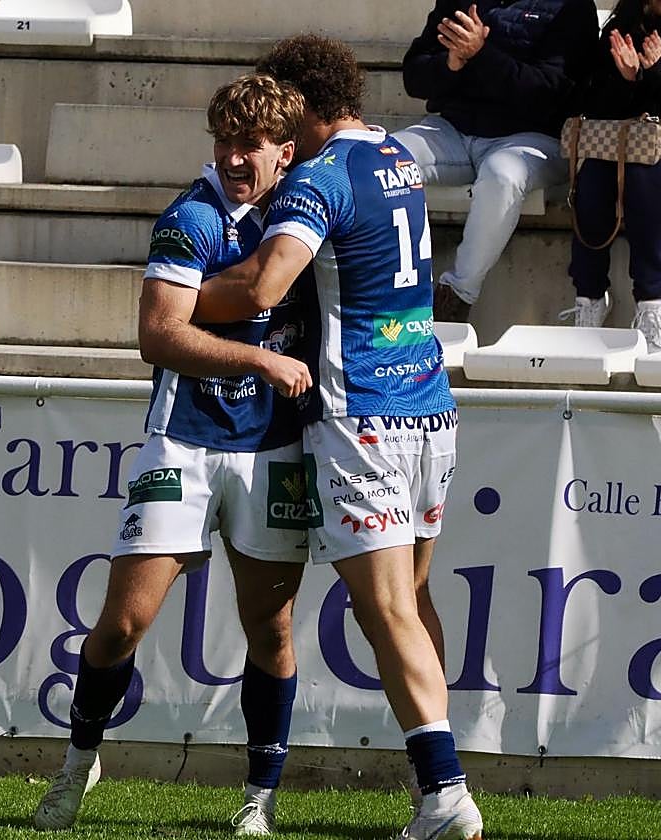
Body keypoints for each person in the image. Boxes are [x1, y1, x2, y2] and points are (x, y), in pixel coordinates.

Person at [201, 36, 482, 840]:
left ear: (304, 104)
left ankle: (444, 792)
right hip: (430, 408)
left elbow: (264, 285)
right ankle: (441, 779)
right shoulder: (397, 156)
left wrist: (176, 297)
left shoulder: (319, 179)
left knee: (386, 608)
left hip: (362, 418)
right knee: (412, 603)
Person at [32, 73, 313, 837]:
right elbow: (158, 335)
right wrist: (257, 361)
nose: (230, 158)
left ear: (284, 153)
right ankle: (78, 760)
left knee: (273, 629)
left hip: (274, 448)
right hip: (182, 440)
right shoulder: (190, 217)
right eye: (222, 142)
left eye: (246, 145)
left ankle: (261, 795)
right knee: (124, 623)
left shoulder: (306, 217)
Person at [395, 0, 600, 324]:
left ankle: (456, 296)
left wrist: (481, 55)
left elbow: (552, 92)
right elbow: (414, 77)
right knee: (384, 160)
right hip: (454, 131)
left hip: (534, 138)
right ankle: (388, 292)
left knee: (502, 175)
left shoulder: (570, 7)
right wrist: (451, 63)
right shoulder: (460, 1)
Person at [564, 0, 661, 352]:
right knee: (594, 177)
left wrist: (658, 72)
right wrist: (629, 80)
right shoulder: (624, 23)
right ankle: (590, 298)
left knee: (643, 177)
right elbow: (595, 104)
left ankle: (652, 304)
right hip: (629, 143)